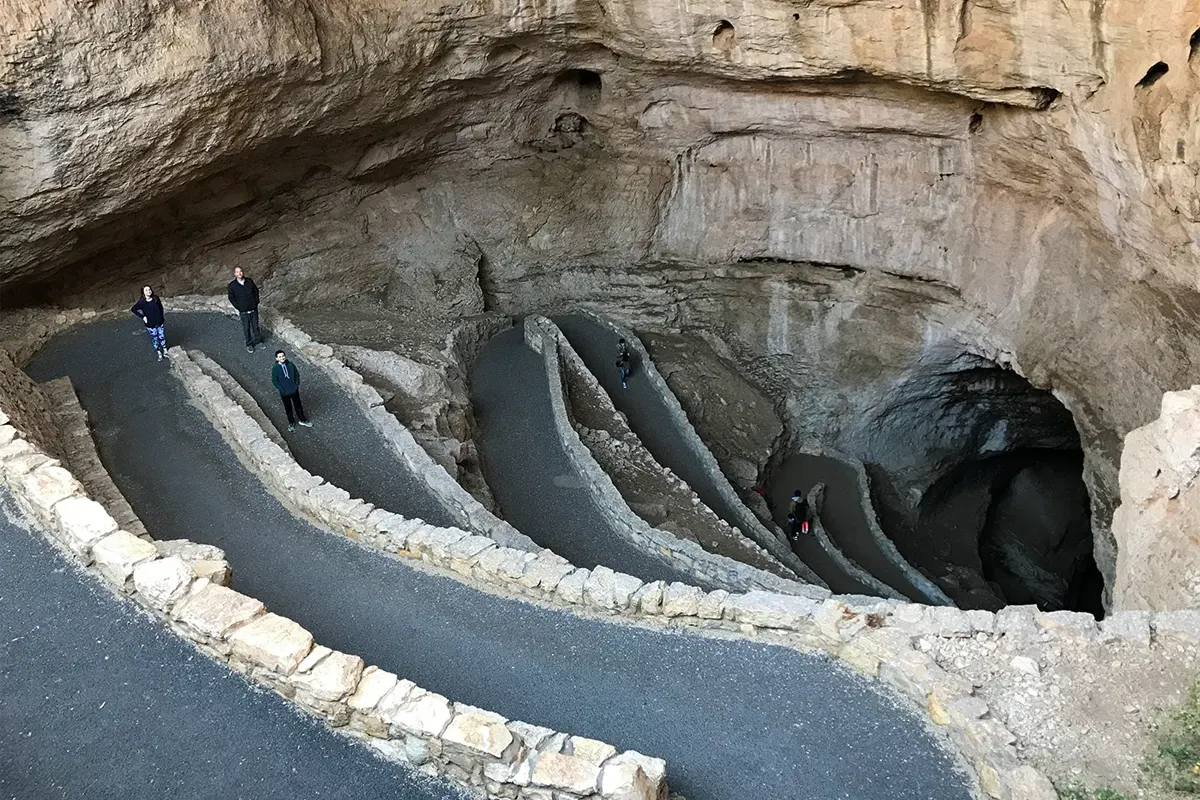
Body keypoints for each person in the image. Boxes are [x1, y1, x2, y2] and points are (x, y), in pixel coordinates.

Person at [271, 350, 313, 432]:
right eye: (279, 357)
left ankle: (302, 419)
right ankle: (291, 422)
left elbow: (296, 374)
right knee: (288, 408)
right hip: (284, 392)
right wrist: (282, 389)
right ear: (276, 358)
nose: (282, 358)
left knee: (298, 405)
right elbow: (274, 380)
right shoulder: (275, 369)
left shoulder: (290, 365)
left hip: (293, 389)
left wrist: (296, 384)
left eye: (283, 356)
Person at [227, 266, 262, 353]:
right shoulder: (232, 285)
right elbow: (231, 298)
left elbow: (255, 291)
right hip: (243, 311)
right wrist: (239, 307)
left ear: (243, 272)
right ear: (235, 274)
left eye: (241, 271)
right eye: (237, 272)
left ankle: (258, 341)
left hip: (253, 309)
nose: (239, 273)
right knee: (246, 328)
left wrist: (256, 302)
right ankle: (249, 344)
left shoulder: (249, 281)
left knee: (255, 326)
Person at [130, 285, 168, 361]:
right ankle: (158, 352)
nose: (149, 291)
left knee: (162, 336)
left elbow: (161, 308)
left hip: (159, 322)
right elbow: (133, 309)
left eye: (149, 289)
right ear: (143, 292)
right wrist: (143, 317)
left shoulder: (155, 298)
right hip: (150, 324)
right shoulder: (142, 302)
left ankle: (165, 350)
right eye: (146, 290)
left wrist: (161, 317)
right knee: (155, 338)